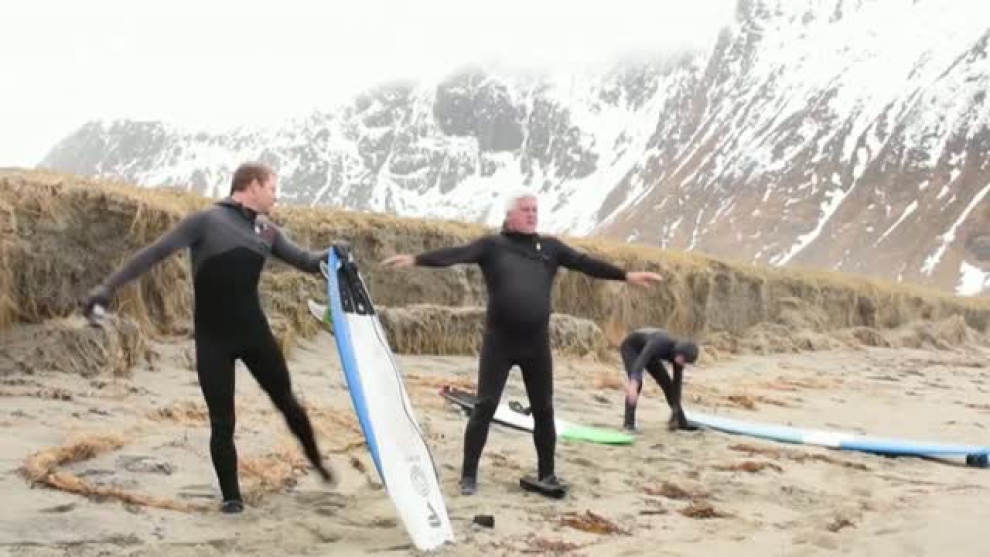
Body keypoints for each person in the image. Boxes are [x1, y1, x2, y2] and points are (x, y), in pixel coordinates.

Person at [82, 162, 337, 514]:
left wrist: (334, 253)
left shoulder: (267, 231)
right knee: (222, 422)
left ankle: (318, 462)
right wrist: (107, 288)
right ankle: (232, 498)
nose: (276, 197)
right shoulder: (206, 221)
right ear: (252, 185)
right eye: (272, 188)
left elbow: (307, 261)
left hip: (255, 335)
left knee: (287, 402)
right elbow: (153, 254)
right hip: (213, 341)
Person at [381, 191, 663, 496]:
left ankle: (546, 474)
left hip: (536, 346)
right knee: (485, 407)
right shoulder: (492, 246)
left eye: (535, 209)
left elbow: (586, 264)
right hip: (499, 343)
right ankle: (468, 476)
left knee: (544, 410)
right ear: (510, 215)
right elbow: (456, 254)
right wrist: (416, 259)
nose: (532, 214)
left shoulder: (551, 248)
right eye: (526, 209)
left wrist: (626, 276)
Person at [619, 327, 700, 432]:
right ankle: (628, 424)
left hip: (650, 353)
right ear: (679, 351)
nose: (682, 363)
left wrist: (675, 413)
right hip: (631, 348)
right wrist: (633, 384)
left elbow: (676, 384)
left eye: (685, 362)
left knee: (668, 385)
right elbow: (641, 362)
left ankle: (681, 422)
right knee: (637, 384)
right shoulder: (661, 343)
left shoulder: (679, 357)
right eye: (682, 359)